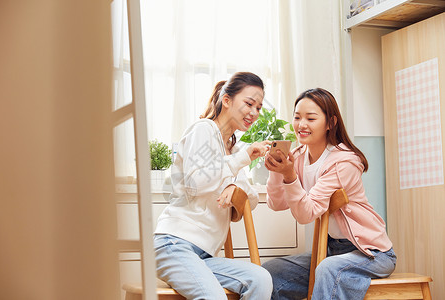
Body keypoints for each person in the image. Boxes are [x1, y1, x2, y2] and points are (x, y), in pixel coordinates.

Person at [262, 88, 396, 299]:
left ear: (330, 123)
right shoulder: (297, 157)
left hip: (371, 253)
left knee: (328, 269)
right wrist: (276, 172)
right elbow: (277, 204)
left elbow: (306, 214)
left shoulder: (344, 162)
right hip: (332, 250)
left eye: (310, 118)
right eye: (297, 117)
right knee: (270, 272)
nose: (301, 124)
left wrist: (288, 175)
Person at [154, 72, 273, 300]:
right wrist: (239, 164)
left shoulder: (234, 149)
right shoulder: (204, 129)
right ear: (226, 101)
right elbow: (196, 183)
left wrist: (233, 186)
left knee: (260, 278)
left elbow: (251, 199)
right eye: (249, 103)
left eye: (258, 107)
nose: (254, 113)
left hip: (204, 255)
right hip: (173, 244)